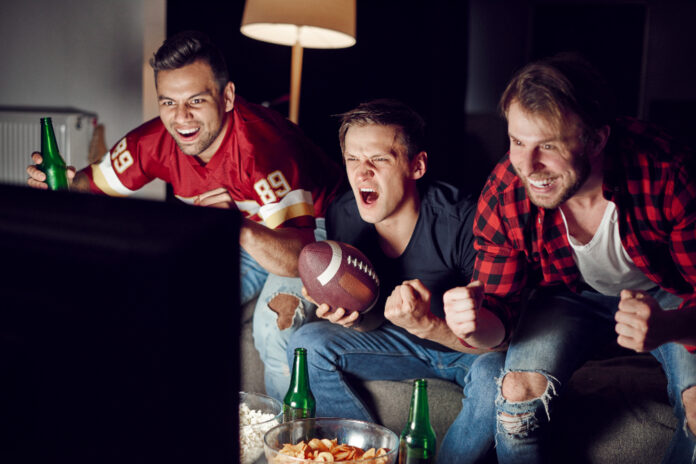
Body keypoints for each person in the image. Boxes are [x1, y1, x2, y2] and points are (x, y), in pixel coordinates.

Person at [444, 53, 696, 463]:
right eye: (517, 142)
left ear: (596, 140)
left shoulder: (667, 172)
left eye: (548, 145)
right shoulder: (506, 190)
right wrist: (470, 324)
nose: (528, 166)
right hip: (568, 296)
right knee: (516, 397)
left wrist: (669, 326)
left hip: (669, 295)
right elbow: (498, 325)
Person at [26, 30, 344, 310]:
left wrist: (237, 226)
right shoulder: (154, 139)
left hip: (313, 228)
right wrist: (62, 185)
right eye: (168, 103)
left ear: (228, 97)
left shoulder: (266, 149)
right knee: (167, 300)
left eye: (195, 101)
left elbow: (299, 256)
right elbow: (87, 185)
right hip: (244, 231)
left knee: (274, 327)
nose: (181, 118)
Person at [284, 99, 506, 463]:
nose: (362, 173)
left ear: (416, 166)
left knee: (496, 374)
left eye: (379, 160)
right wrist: (353, 317)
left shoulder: (463, 220)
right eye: (353, 159)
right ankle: (368, 458)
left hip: (467, 348)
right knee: (307, 340)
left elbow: (499, 343)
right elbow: (372, 317)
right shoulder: (344, 212)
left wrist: (430, 325)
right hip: (403, 341)